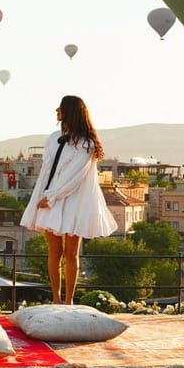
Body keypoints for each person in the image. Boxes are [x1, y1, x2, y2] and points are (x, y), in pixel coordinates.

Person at [20, 95, 117, 304]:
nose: (56, 110)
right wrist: (42, 196)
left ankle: (69, 300)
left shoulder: (86, 144)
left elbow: (74, 176)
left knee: (71, 253)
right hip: (50, 199)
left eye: (60, 107)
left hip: (73, 202)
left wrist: (51, 197)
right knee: (54, 252)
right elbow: (46, 172)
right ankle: (56, 299)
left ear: (69, 111)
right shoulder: (53, 138)